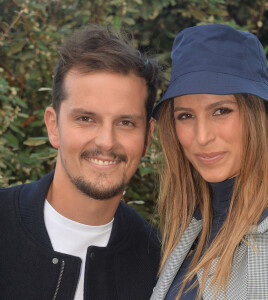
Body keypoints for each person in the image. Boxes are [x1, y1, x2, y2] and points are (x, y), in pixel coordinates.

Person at [0, 25, 162, 300]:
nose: (107, 142)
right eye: (86, 119)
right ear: (53, 127)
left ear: (147, 137)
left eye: (125, 122)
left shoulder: (159, 265)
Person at [150, 24, 268, 300]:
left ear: (258, 114)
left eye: (221, 111)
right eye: (185, 115)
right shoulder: (189, 225)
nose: (202, 136)